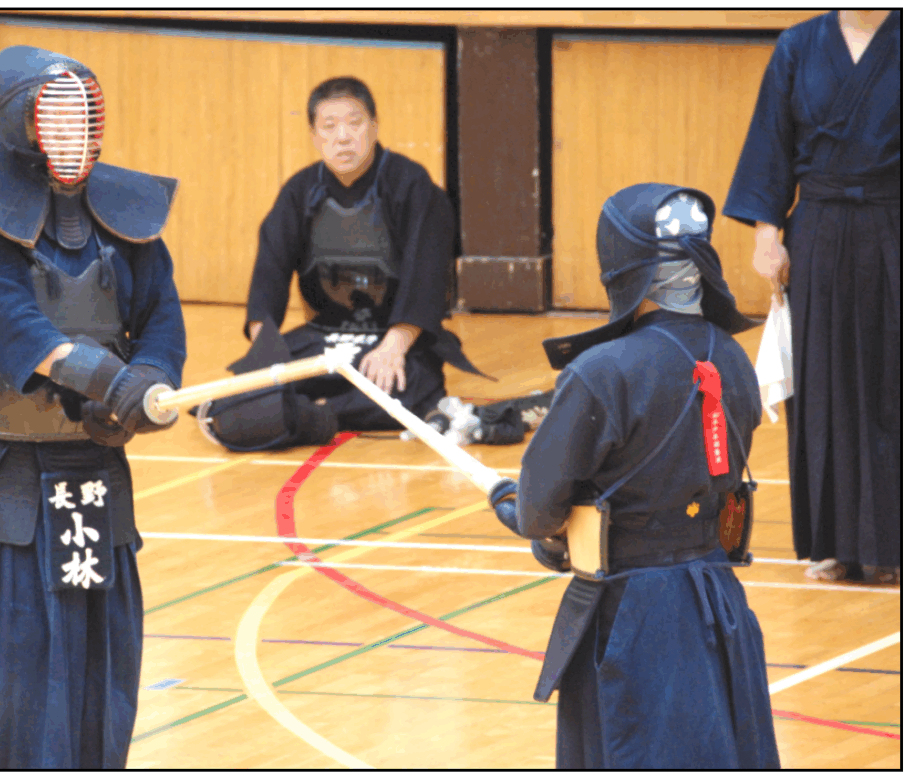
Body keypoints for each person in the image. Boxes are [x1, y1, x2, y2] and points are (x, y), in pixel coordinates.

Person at [0, 46, 186, 768]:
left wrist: (147, 381)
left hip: (92, 474)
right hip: (3, 484)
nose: (75, 140)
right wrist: (102, 376)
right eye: (56, 123)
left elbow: (161, 321)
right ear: (18, 128)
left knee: (98, 671)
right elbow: (16, 331)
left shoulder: (127, 218)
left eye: (85, 122)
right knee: (4, 680)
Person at [489, 184, 780, 768]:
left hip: (631, 617)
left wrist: (512, 505)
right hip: (718, 604)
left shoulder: (601, 371)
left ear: (620, 266)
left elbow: (541, 511)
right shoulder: (734, 359)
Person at [197, 76, 495, 451]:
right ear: (314, 135)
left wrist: (394, 346)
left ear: (374, 127)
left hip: (393, 340)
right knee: (243, 392)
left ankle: (309, 414)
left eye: (354, 124)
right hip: (322, 338)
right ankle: (309, 408)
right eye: (329, 126)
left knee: (411, 391)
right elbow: (268, 278)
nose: (343, 137)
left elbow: (428, 276)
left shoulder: (412, 185)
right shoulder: (299, 191)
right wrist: (266, 359)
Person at [723, 10, 900, 585]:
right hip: (818, 231)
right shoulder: (798, 45)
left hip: (898, 224)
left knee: (895, 382)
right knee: (823, 385)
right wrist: (767, 235)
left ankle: (897, 540)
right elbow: (770, 143)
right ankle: (832, 542)